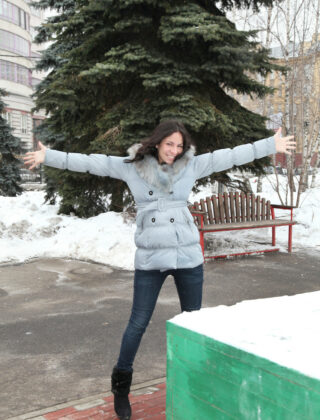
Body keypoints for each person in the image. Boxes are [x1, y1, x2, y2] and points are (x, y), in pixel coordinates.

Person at [23, 120, 295, 420]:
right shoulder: (132, 167)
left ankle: (194, 380)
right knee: (138, 323)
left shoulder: (191, 165)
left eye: (179, 146)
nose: (174, 151)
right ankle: (121, 386)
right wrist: (49, 156)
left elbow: (229, 155)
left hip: (187, 255)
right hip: (151, 258)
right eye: (170, 144)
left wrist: (270, 146)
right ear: (157, 143)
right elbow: (93, 163)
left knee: (194, 323)